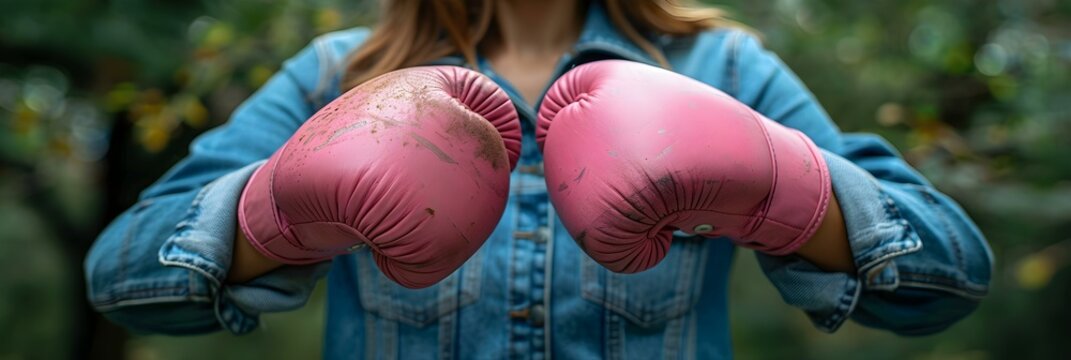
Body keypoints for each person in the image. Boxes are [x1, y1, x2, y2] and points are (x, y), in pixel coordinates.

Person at [85, 0, 994, 358]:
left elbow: (947, 271)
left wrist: (781, 188)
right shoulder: (339, 75)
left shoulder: (722, 67)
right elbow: (126, 275)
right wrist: (271, 210)